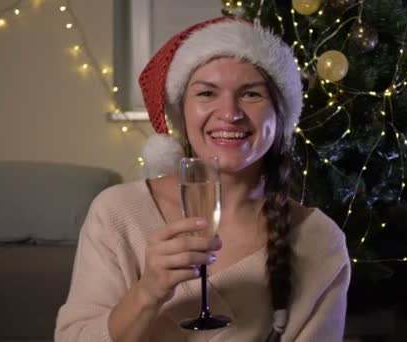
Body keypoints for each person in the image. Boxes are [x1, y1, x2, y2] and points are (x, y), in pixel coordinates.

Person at [55, 16, 350, 342]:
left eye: (251, 94)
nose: (229, 113)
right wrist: (147, 291)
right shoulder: (116, 213)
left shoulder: (320, 242)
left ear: (280, 116)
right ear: (182, 112)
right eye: (207, 93)